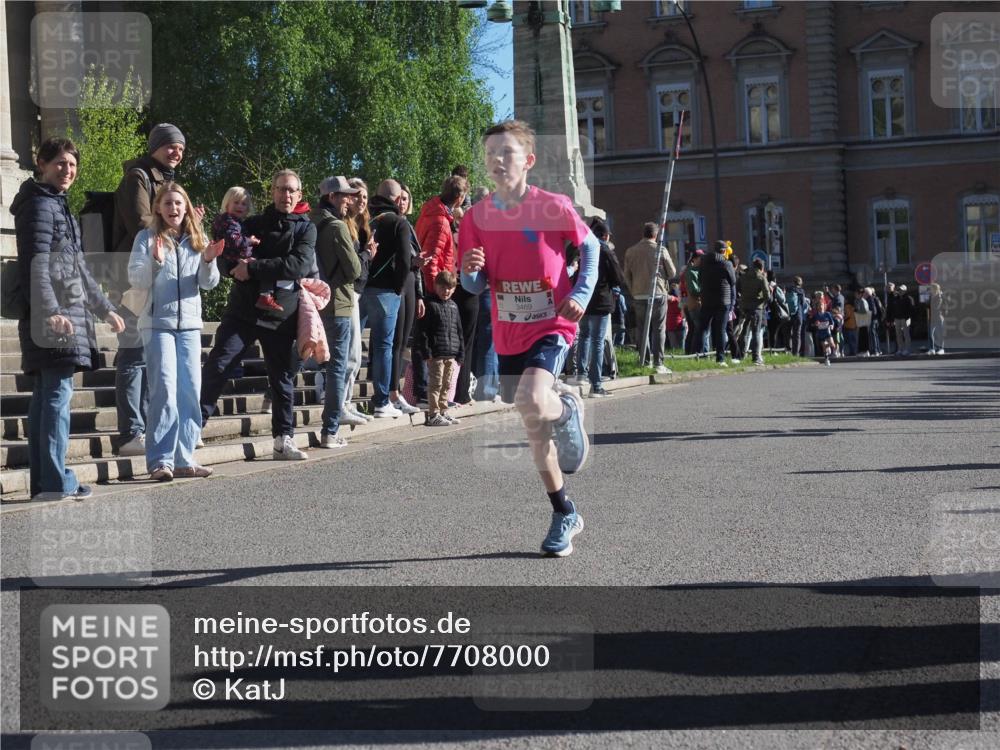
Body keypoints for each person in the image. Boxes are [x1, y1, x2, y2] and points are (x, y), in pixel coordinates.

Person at [459, 119, 598, 557]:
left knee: (534, 399)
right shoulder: (475, 218)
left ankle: (566, 407)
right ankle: (564, 511)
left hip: (552, 322)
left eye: (507, 152)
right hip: (509, 328)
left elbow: (591, 248)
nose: (497, 160)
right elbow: (474, 286)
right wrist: (471, 270)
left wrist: (580, 292)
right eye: (490, 154)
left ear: (528, 161)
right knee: (534, 429)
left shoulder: (553, 206)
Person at [12, 138, 125, 499]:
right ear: (41, 164)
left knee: (47, 397)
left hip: (63, 313)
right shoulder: (41, 208)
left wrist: (104, 307)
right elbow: (36, 265)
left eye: (72, 165)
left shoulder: (54, 206)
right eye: (60, 163)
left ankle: (45, 483)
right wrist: (52, 312)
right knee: (56, 397)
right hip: (56, 317)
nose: (68, 171)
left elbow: (78, 270)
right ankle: (54, 482)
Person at [200, 169, 316, 460]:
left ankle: (283, 438)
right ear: (272, 192)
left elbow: (297, 265)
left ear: (299, 195)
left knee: (282, 378)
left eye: (291, 190)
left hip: (282, 314)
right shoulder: (252, 223)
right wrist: (232, 268)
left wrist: (252, 268)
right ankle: (193, 427)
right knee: (218, 365)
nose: (285, 195)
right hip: (243, 310)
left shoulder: (306, 228)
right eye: (280, 189)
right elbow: (227, 260)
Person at [128, 183, 220, 480]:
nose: (174, 209)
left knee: (190, 392)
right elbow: (136, 280)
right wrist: (155, 262)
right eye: (168, 203)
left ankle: (184, 458)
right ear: (158, 208)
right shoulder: (146, 237)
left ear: (187, 207)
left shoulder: (197, 238)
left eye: (179, 203)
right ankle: (160, 461)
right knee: (164, 391)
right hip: (157, 325)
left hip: (190, 326)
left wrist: (208, 259)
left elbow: (209, 283)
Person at [110, 123, 190, 458]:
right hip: (133, 278)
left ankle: (147, 428)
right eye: (171, 146)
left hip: (161, 279)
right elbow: (142, 221)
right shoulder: (138, 177)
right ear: (155, 146)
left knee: (148, 357)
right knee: (132, 353)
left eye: (181, 149)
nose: (177, 152)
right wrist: (178, 233)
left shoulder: (166, 181)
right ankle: (131, 432)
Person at [310, 176, 363, 447]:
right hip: (339, 304)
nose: (350, 201)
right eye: (345, 196)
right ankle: (330, 431)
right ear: (331, 197)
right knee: (337, 368)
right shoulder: (337, 227)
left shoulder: (310, 222)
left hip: (313, 302)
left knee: (314, 360)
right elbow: (355, 270)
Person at [415, 175, 470, 404]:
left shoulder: (432, 212)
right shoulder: (440, 220)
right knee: (432, 348)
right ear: (459, 198)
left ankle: (434, 396)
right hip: (434, 288)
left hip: (431, 287)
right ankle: (430, 396)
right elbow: (431, 258)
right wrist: (437, 291)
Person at [361, 180, 414, 418]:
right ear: (395, 199)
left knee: (352, 348)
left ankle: (342, 402)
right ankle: (382, 401)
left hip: (360, 289)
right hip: (386, 293)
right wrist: (398, 288)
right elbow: (404, 260)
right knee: (384, 347)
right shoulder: (399, 223)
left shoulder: (363, 218)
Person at [340, 178, 376, 422]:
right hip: (348, 292)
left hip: (359, 291)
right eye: (357, 196)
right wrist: (368, 254)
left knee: (353, 353)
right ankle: (340, 405)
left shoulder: (362, 226)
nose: (361, 201)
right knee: (351, 353)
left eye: (364, 197)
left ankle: (347, 402)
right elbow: (352, 264)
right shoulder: (344, 224)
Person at [387, 183, 424, 416]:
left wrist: (420, 294)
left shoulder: (408, 225)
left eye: (405, 198)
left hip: (412, 282)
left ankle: (396, 392)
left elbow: (412, 262)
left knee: (402, 342)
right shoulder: (389, 223)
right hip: (397, 284)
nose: (402, 202)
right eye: (399, 198)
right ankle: (391, 392)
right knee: (395, 341)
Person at [577, 218, 625, 398]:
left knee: (584, 336)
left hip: (582, 298)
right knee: (597, 340)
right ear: (605, 236)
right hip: (601, 299)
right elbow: (618, 276)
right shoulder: (604, 249)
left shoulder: (580, 246)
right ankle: (596, 384)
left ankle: (581, 374)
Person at [212, 187, 280, 312]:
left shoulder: (232, 221)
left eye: (243, 204)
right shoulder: (229, 221)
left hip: (231, 257)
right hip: (234, 257)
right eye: (236, 202)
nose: (240, 206)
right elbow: (233, 239)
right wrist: (250, 240)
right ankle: (265, 296)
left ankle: (264, 296)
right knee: (264, 265)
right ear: (227, 204)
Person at [623, 221, 675, 374]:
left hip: (638, 293)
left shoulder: (631, 251)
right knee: (659, 329)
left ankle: (644, 360)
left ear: (643, 233)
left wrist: (633, 290)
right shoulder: (660, 250)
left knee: (641, 329)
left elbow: (626, 274)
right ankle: (659, 363)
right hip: (657, 292)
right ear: (656, 234)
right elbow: (672, 272)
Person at [416, 271, 464, 426]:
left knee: (447, 384)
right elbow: (423, 331)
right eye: (443, 287)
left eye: (450, 288)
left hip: (451, 353)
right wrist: (427, 352)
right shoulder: (430, 304)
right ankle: (433, 414)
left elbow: (459, 331)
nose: (446, 291)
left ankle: (443, 411)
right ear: (436, 286)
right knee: (435, 384)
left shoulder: (454, 306)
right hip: (436, 353)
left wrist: (460, 353)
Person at [699, 241, 737, 366]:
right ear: (724, 251)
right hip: (723, 300)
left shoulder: (704, 262)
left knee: (703, 328)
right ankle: (720, 358)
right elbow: (733, 281)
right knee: (720, 329)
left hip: (707, 299)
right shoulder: (727, 264)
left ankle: (698, 355)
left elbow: (700, 278)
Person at [737, 259, 769, 365]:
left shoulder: (743, 276)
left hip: (744, 307)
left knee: (744, 331)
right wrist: (762, 303)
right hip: (756, 308)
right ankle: (756, 357)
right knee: (756, 332)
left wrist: (743, 299)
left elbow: (738, 289)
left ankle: (741, 355)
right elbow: (767, 295)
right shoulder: (761, 277)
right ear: (762, 268)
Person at [683, 249, 704, 354]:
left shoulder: (698, 270)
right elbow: (693, 290)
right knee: (699, 329)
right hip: (695, 304)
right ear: (695, 259)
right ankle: (697, 353)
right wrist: (705, 290)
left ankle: (690, 353)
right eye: (701, 258)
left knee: (694, 330)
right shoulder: (691, 271)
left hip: (697, 303)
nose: (703, 260)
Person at [807, 292, 836, 366]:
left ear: (824, 306)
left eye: (822, 305)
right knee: (824, 347)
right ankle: (826, 359)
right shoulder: (816, 315)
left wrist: (831, 326)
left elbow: (832, 322)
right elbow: (812, 324)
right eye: (819, 306)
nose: (820, 307)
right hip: (821, 333)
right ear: (817, 307)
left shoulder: (827, 314)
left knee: (832, 345)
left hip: (827, 332)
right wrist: (815, 324)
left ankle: (829, 347)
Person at [786, 276, 806, 356]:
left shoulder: (789, 289)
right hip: (798, 314)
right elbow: (803, 303)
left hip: (789, 314)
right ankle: (795, 353)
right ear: (800, 283)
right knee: (797, 334)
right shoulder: (801, 291)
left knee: (789, 333)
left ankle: (788, 350)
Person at [894, 283, 914, 356]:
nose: (900, 291)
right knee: (898, 335)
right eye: (899, 290)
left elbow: (912, 309)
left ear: (905, 291)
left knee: (906, 334)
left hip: (906, 319)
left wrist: (907, 317)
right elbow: (894, 309)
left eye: (901, 290)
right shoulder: (896, 298)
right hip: (897, 319)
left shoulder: (909, 298)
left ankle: (907, 349)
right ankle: (900, 349)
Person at [666, 282, 686, 352]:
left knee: (673, 348)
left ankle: (674, 360)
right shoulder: (678, 300)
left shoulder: (665, 302)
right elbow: (683, 314)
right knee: (681, 347)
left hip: (670, 326)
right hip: (679, 324)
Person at [927, 282, 946, 355]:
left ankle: (941, 349)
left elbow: (936, 307)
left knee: (939, 334)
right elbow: (928, 306)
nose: (930, 290)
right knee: (931, 334)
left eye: (931, 288)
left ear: (935, 289)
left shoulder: (939, 296)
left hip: (939, 317)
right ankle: (932, 349)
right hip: (932, 317)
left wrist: (931, 300)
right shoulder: (931, 296)